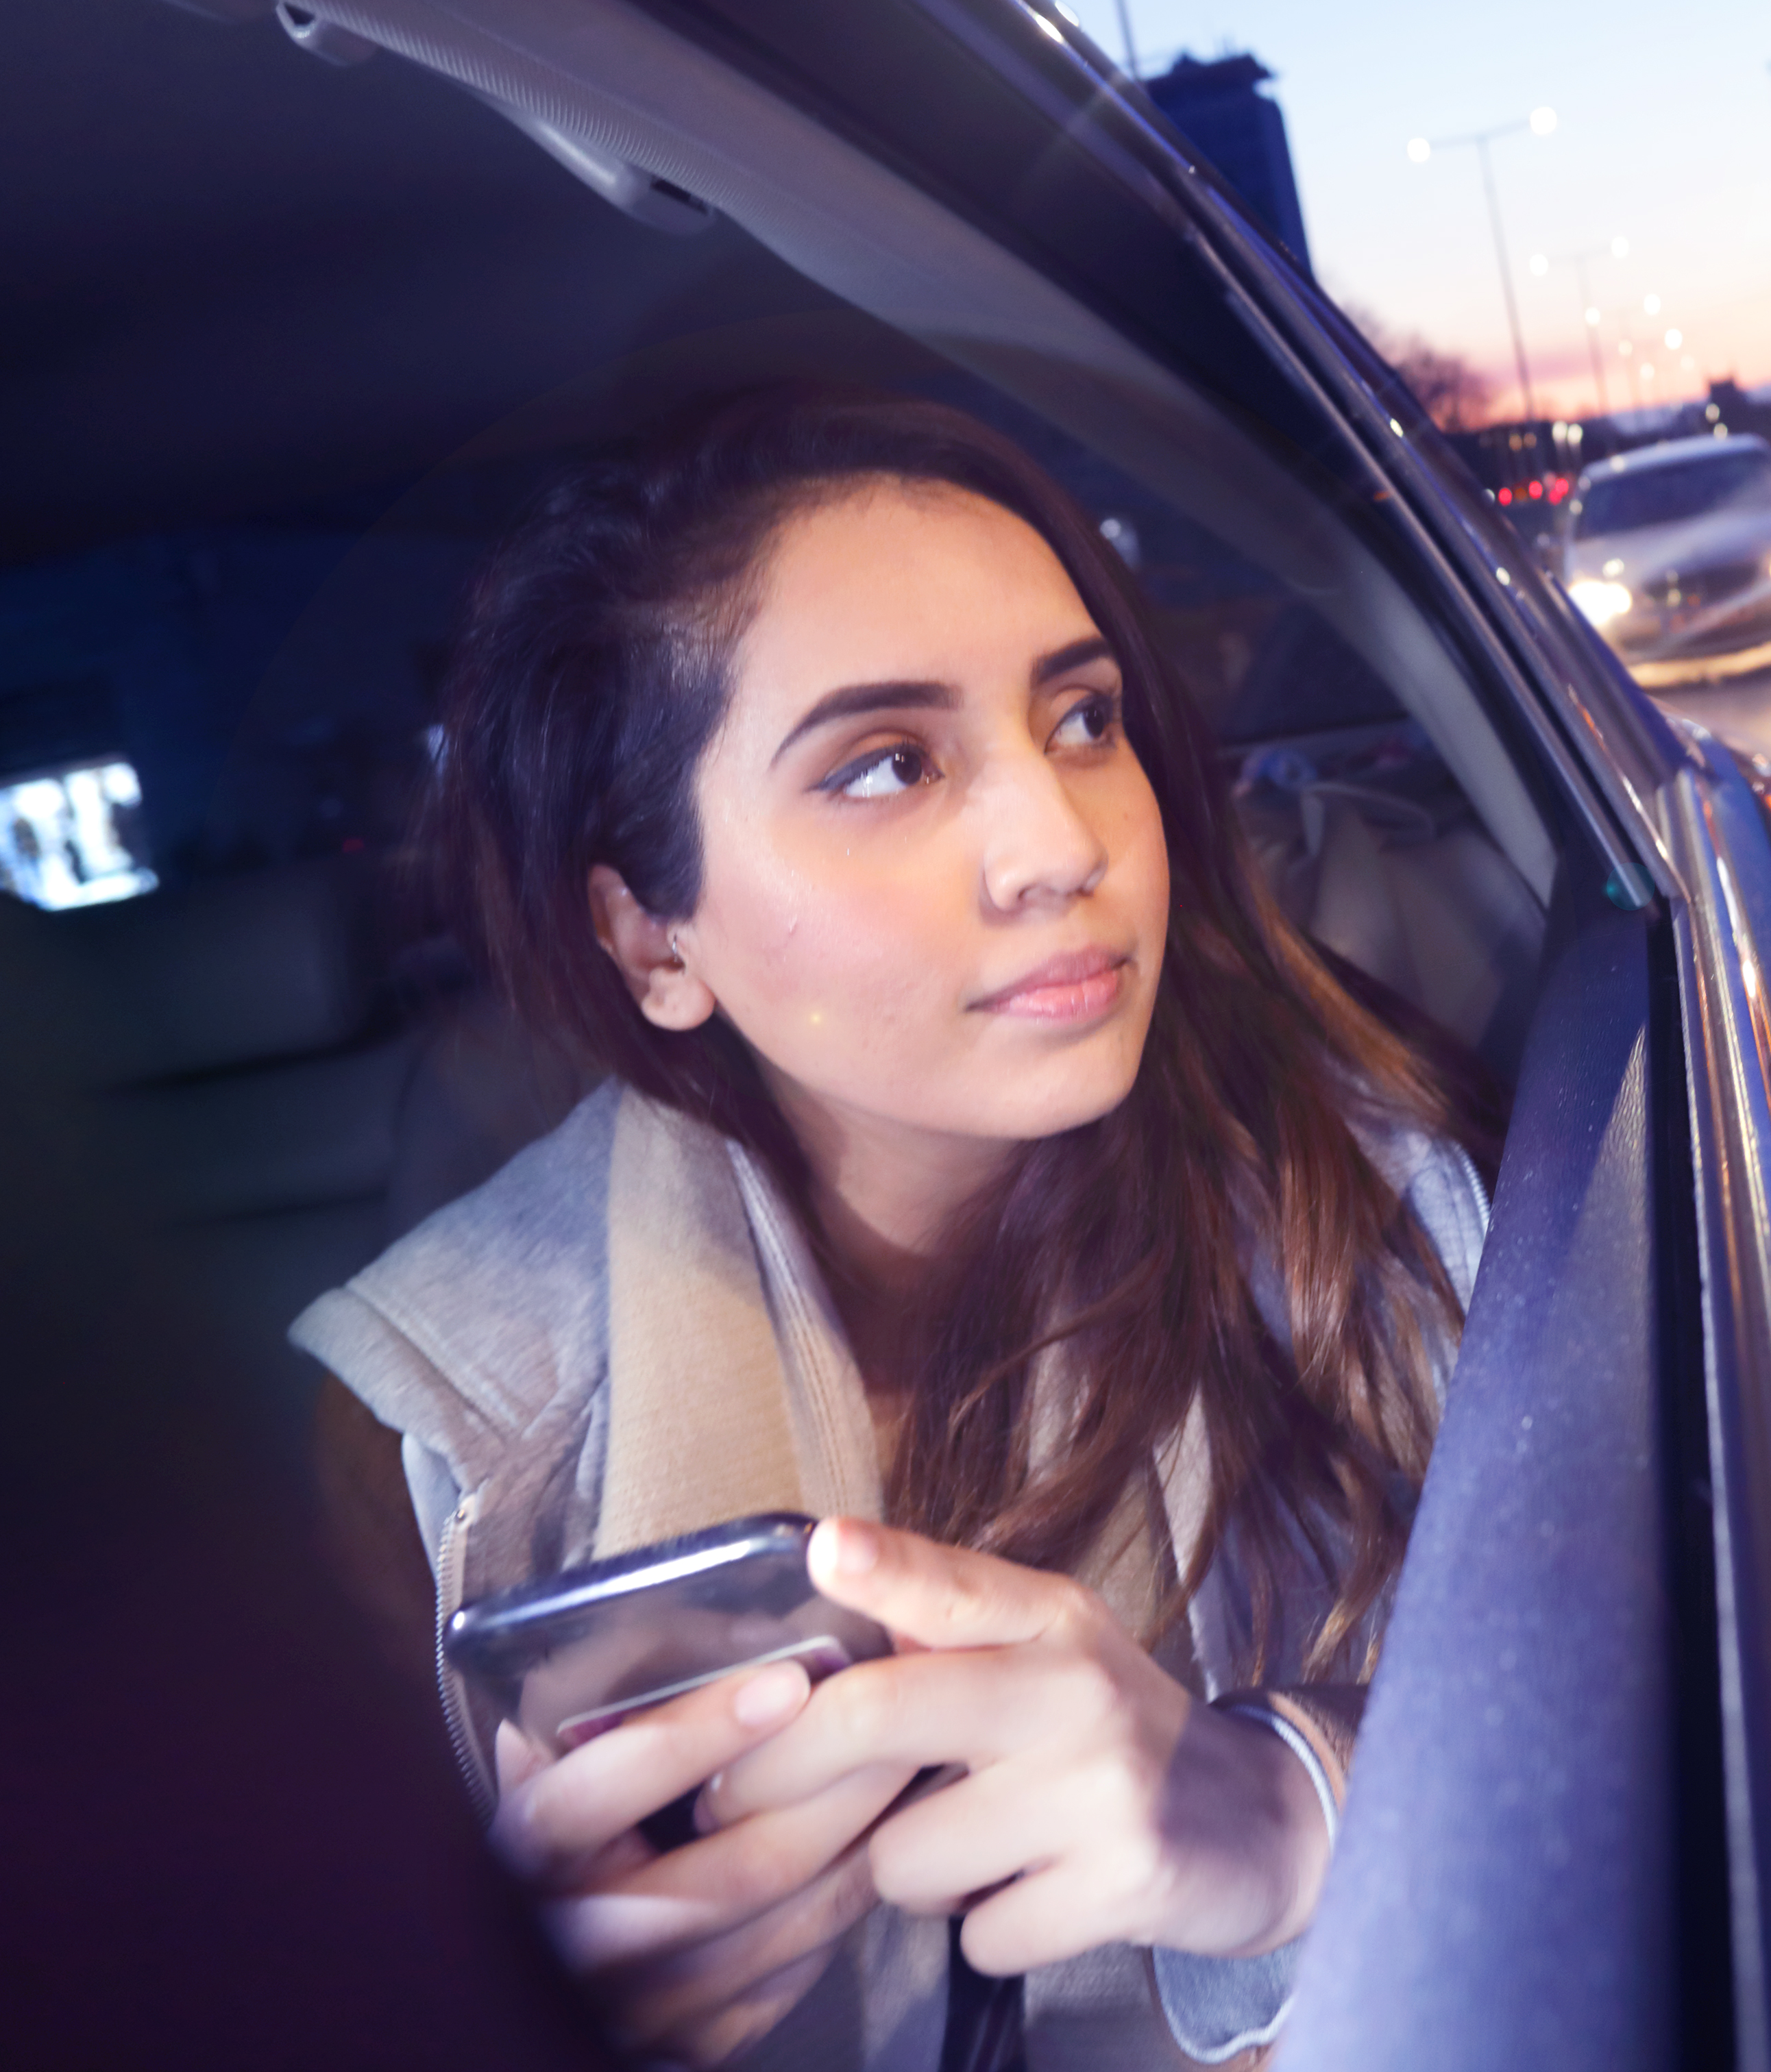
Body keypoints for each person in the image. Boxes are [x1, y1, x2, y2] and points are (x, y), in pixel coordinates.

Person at [293, 388, 1494, 2071]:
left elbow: (1661, 1729)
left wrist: (1287, 1802)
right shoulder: (436, 1443)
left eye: (1082, 721)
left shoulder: (1363, 1207)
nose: (1062, 844)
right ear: (653, 938)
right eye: (884, 765)